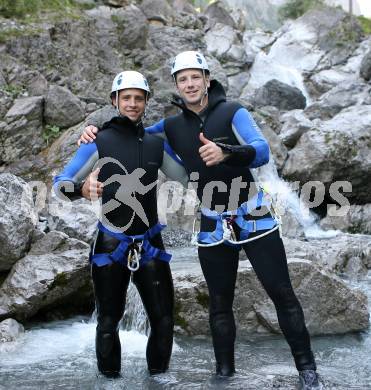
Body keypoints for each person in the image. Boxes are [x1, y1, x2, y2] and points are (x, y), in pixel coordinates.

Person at [79, 52, 322, 389]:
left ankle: (307, 370)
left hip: (253, 215)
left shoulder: (232, 111)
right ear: (177, 85)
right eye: (183, 79)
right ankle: (224, 374)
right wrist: (94, 131)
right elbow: (130, 135)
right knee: (219, 304)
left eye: (196, 77)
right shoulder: (171, 126)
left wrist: (228, 152)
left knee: (282, 293)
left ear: (208, 79)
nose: (190, 84)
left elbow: (262, 148)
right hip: (211, 221)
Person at [54, 71, 188, 378]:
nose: (132, 103)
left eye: (138, 98)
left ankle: (159, 379)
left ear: (145, 103)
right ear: (115, 101)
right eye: (126, 98)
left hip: (151, 243)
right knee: (108, 322)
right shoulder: (98, 140)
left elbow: (186, 177)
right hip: (111, 242)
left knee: (164, 320)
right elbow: (61, 184)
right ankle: (111, 385)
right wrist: (82, 190)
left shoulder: (156, 144)